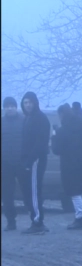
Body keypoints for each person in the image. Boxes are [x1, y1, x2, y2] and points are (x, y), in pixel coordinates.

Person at [53, 104, 82, 231]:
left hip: (69, 166)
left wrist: (54, 136)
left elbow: (56, 150)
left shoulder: (62, 130)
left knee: (74, 192)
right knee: (81, 191)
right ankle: (81, 216)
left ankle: (79, 218)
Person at [19, 92, 51, 235]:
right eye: (25, 103)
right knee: (29, 190)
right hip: (28, 159)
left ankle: (38, 221)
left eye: (30, 102)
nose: (28, 105)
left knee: (34, 191)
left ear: (35, 103)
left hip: (36, 159)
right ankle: (35, 218)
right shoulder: (28, 118)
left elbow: (40, 143)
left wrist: (29, 160)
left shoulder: (40, 119)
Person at [2, 97, 24, 231]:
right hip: (5, 163)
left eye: (12, 106)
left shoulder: (24, 120)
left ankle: (36, 221)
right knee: (7, 194)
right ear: (4, 108)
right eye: (7, 106)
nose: (10, 108)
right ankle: (11, 221)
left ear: (16, 107)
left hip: (21, 161)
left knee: (28, 192)